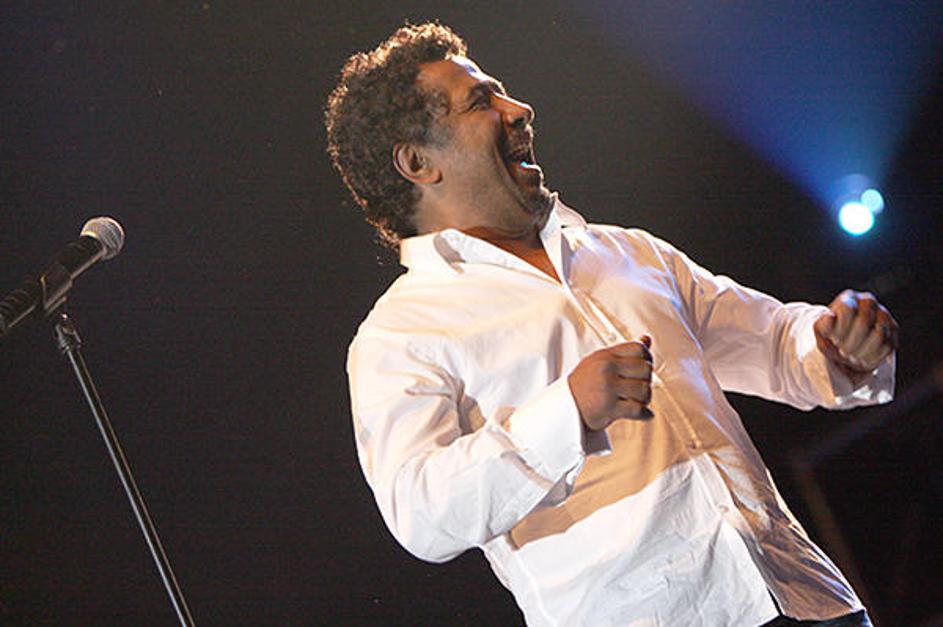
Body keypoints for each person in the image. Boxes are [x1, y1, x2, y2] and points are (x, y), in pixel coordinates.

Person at [325, 22, 898, 627]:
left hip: (802, 596)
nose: (518, 110)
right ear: (418, 162)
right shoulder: (403, 333)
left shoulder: (625, 252)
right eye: (481, 102)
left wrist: (837, 347)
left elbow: (776, 342)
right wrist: (567, 411)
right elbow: (420, 511)